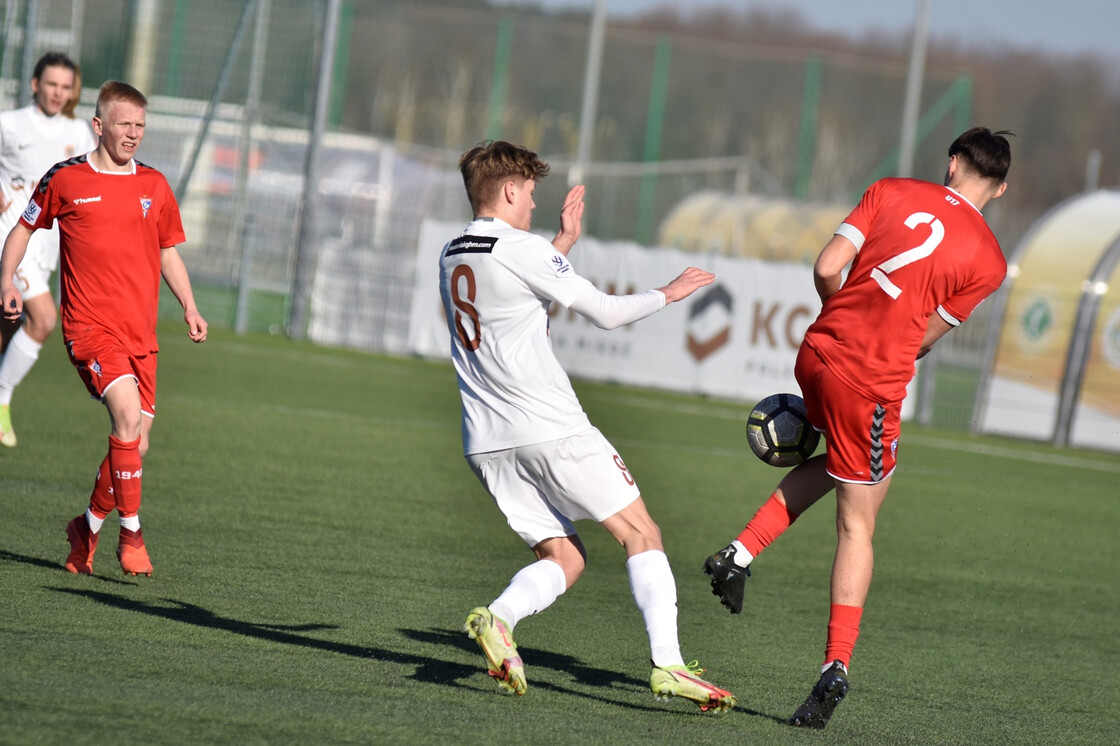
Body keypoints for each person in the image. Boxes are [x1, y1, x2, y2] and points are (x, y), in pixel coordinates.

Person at [703, 127, 1013, 729]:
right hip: (870, 386)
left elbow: (826, 268)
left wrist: (840, 312)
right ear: (1000, 189)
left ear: (951, 163)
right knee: (859, 520)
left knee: (846, 465)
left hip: (816, 356)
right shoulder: (990, 261)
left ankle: (738, 553)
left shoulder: (890, 190)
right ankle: (834, 668)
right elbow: (923, 342)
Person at [442, 140, 736, 712]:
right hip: (551, 429)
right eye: (529, 192)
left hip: (485, 442)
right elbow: (603, 312)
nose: (533, 203)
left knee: (566, 559)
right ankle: (669, 666)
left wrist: (564, 245)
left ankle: (499, 619)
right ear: (507, 190)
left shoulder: (453, 251)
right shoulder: (520, 246)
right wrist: (668, 293)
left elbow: (520, 305)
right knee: (642, 534)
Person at [0, 80, 208, 576]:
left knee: (137, 443)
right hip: (90, 329)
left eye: (140, 125)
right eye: (124, 124)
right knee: (127, 421)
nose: (133, 133)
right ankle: (131, 534)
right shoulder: (66, 180)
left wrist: (190, 306)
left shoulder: (154, 185)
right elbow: (24, 227)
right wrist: (6, 279)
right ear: (99, 126)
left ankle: (86, 528)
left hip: (142, 334)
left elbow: (167, 251)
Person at [0, 52, 97, 447]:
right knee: (42, 319)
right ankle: (2, 401)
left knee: (8, 327)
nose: (58, 93)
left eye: (66, 86)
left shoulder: (82, 133)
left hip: (49, 245)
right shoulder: (9, 124)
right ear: (35, 84)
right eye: (51, 84)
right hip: (11, 234)